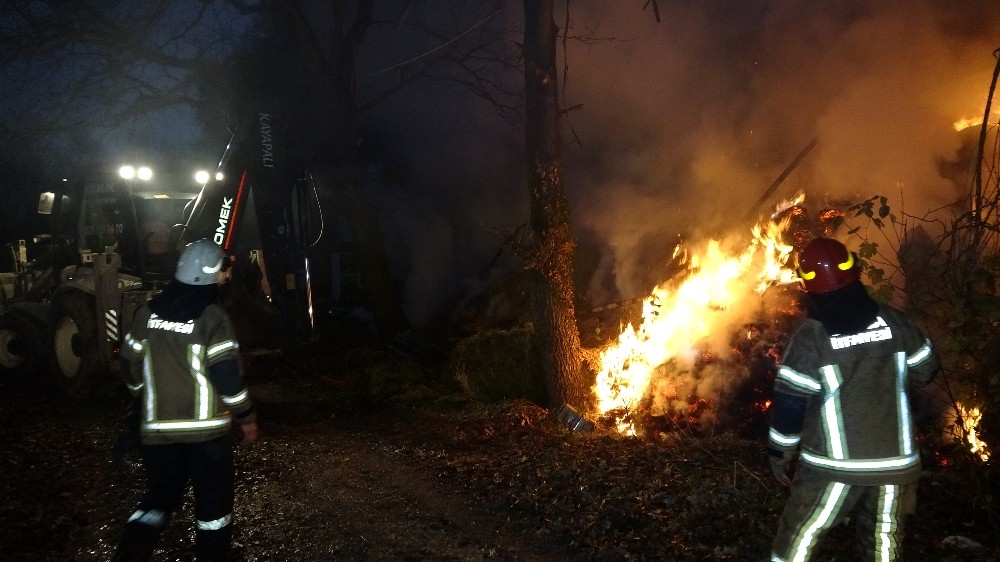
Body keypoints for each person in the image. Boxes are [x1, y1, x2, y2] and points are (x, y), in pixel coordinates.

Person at [767, 237, 939, 562]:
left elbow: (790, 405)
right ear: (855, 270)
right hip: (895, 466)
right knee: (883, 547)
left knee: (797, 542)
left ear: (806, 285)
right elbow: (925, 369)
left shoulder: (811, 338)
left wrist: (779, 454)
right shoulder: (896, 322)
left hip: (833, 470)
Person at [112, 238, 258, 562]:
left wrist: (143, 393)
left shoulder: (145, 313)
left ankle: (130, 552)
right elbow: (227, 379)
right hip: (207, 438)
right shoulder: (212, 318)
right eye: (222, 272)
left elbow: (129, 366)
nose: (225, 278)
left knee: (159, 498)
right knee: (213, 508)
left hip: (159, 436)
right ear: (210, 274)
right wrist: (247, 418)